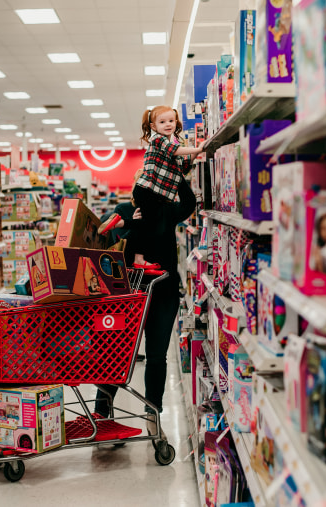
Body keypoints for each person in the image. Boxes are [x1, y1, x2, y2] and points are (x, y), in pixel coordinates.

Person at [94, 176, 197, 438]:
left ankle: (153, 413)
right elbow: (108, 250)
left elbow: (190, 202)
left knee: (156, 356)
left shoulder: (167, 212)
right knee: (116, 353)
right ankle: (101, 412)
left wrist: (178, 173)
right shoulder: (123, 212)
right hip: (129, 295)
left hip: (164, 293)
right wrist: (133, 225)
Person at [125, 106, 204, 272]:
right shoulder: (159, 140)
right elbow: (174, 151)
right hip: (146, 191)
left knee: (148, 223)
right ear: (154, 126)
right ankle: (139, 258)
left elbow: (183, 167)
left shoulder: (173, 143)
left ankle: (141, 257)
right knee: (146, 223)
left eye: (171, 120)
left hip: (156, 194)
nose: (168, 124)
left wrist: (195, 154)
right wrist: (198, 148)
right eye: (162, 122)